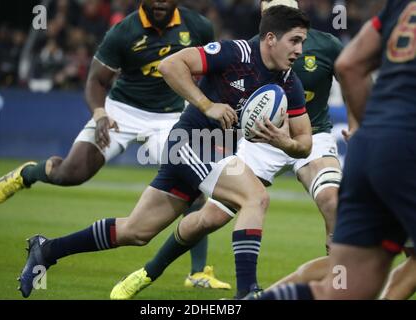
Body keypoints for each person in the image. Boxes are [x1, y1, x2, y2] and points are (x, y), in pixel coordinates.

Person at [17, 5, 312, 299]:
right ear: (271, 38)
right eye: (294, 40)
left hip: (213, 152)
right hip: (191, 143)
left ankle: (48, 249)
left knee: (136, 232)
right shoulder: (234, 53)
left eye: (302, 41)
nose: (300, 49)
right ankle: (247, 292)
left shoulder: (290, 82)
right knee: (255, 197)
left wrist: (281, 142)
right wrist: (207, 105)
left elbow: (304, 143)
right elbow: (170, 66)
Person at [0, 0, 230, 294]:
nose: (159, 3)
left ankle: (197, 272)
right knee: (71, 172)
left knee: (192, 180)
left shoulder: (198, 27)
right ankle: (29, 174)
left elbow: (211, 71)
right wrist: (100, 114)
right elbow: (96, 81)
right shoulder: (123, 31)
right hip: (122, 110)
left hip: (171, 115)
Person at [111, 0, 346, 300]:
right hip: (258, 139)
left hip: (312, 136)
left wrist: (360, 121)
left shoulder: (327, 45)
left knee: (332, 200)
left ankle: (341, 285)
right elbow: (185, 69)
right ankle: (149, 271)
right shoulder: (250, 50)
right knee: (209, 218)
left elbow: (354, 76)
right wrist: (209, 109)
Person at [247, 0, 416, 299]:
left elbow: (350, 65)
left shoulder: (399, 6)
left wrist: (370, 134)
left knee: (344, 285)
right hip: (407, 146)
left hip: (373, 146)